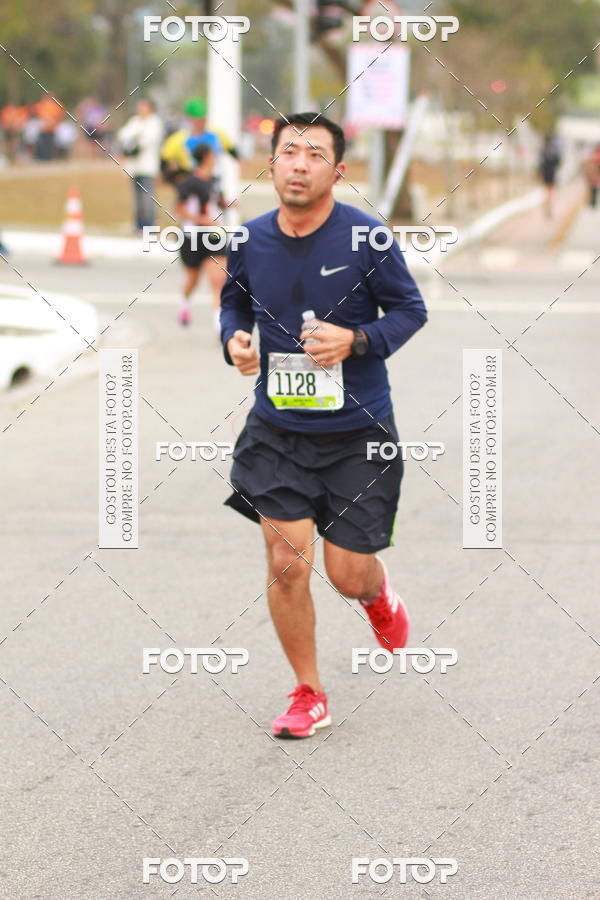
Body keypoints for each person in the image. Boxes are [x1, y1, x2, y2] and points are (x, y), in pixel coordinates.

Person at [219, 112, 428, 739]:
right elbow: (234, 299)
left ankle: (377, 595)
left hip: (358, 434)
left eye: (314, 154)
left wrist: (358, 338)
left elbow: (410, 311)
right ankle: (308, 691)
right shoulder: (249, 239)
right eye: (289, 152)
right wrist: (233, 337)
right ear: (273, 163)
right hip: (276, 431)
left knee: (346, 574)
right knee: (286, 562)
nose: (299, 163)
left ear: (337, 171)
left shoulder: (368, 239)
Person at [175, 143, 228, 329]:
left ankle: (220, 325)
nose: (215, 158)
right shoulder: (188, 182)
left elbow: (217, 201)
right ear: (206, 157)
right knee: (193, 279)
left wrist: (228, 204)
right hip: (192, 237)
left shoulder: (214, 180)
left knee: (219, 281)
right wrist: (201, 219)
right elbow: (179, 209)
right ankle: (185, 302)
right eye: (213, 154)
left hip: (214, 236)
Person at [160, 97, 238, 186]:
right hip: (189, 181)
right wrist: (172, 178)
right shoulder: (178, 139)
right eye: (198, 120)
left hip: (213, 180)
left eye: (204, 120)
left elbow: (232, 150)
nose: (202, 123)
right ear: (190, 119)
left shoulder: (216, 134)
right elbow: (164, 161)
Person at [117, 99, 164, 232]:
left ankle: (149, 225)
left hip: (148, 167)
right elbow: (123, 135)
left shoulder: (155, 122)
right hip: (134, 167)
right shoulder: (135, 121)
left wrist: (134, 140)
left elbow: (147, 140)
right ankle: (139, 225)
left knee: (147, 197)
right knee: (137, 198)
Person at [538, 133, 562, 218]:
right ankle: (549, 203)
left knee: (546, 190)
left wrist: (539, 173)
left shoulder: (543, 150)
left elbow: (540, 163)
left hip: (545, 173)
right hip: (552, 173)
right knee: (550, 190)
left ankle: (547, 203)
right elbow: (558, 162)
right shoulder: (554, 150)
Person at [583, 144, 600, 208]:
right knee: (593, 188)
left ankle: (593, 202)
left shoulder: (596, 156)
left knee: (594, 188)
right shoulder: (595, 155)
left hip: (595, 178)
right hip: (594, 179)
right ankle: (592, 202)